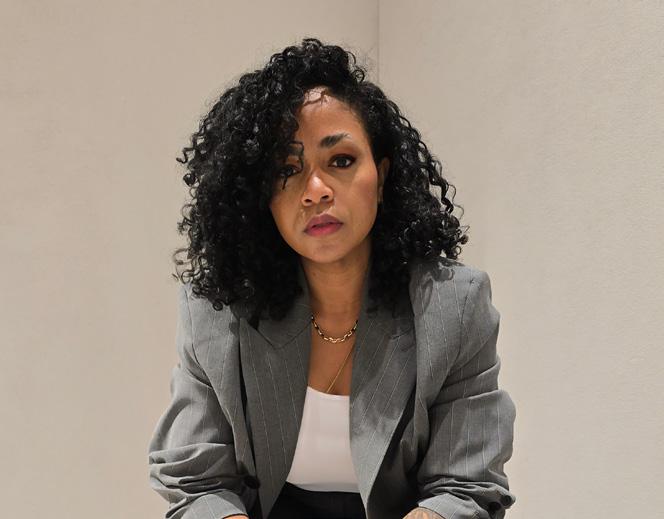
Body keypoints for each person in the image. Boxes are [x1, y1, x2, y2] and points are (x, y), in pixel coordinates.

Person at [147, 37, 516, 519]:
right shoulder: (217, 309)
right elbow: (196, 482)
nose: (316, 190)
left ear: (381, 177)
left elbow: (466, 486)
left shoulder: (454, 305)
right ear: (260, 196)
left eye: (340, 160)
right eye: (287, 169)